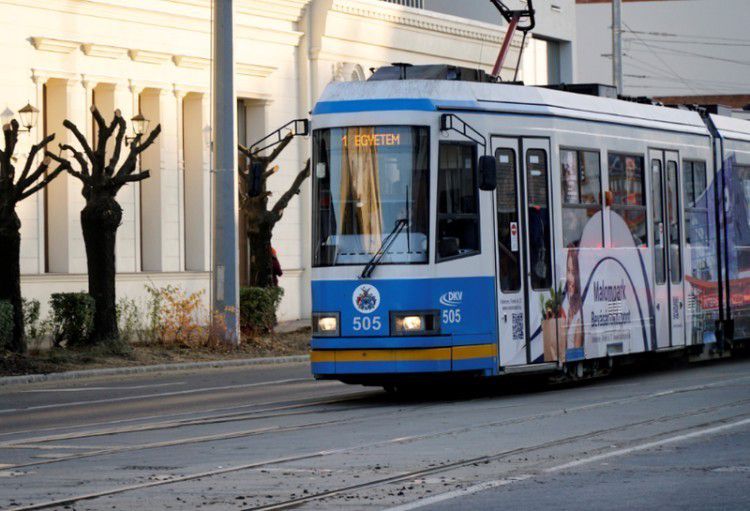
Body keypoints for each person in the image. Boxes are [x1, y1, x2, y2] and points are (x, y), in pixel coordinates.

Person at [565, 244, 585, 352]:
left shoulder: (578, 316)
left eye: (573, 272)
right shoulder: (566, 304)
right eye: (568, 271)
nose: (570, 278)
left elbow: (577, 353)